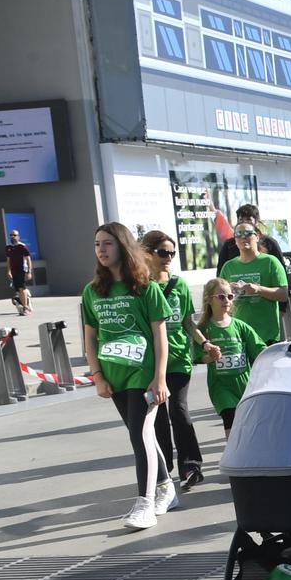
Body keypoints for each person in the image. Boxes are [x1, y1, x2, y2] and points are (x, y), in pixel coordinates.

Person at [83, 223, 174, 530]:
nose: (101, 250)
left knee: (140, 434)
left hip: (143, 375)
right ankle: (166, 487)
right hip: (114, 375)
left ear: (123, 246)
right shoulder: (92, 291)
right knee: (142, 435)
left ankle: (145, 504)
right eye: (97, 244)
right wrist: (97, 376)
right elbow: (90, 338)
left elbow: (159, 334)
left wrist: (160, 378)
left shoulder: (145, 286)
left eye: (107, 243)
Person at [140, 230, 207, 492]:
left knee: (178, 410)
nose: (168, 258)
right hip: (151, 362)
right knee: (157, 418)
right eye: (162, 253)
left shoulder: (179, 284)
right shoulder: (141, 286)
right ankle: (163, 469)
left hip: (179, 358)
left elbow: (188, 322)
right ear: (147, 253)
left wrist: (204, 343)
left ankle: (191, 465)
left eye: (172, 253)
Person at [197, 278, 267, 431]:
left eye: (230, 296)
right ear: (209, 300)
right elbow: (197, 357)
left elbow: (260, 349)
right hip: (221, 386)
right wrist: (210, 357)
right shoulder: (204, 328)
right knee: (230, 417)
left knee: (248, 426)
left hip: (244, 384)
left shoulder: (240, 326)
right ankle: (232, 453)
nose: (226, 300)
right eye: (221, 297)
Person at [220, 221, 289, 348]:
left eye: (247, 233)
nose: (243, 237)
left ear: (257, 237)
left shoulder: (270, 262)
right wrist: (229, 291)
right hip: (238, 334)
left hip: (266, 335)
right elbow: (218, 297)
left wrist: (258, 289)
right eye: (238, 234)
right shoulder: (228, 266)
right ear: (235, 240)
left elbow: (283, 294)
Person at [215, 203, 285, 266]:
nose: (244, 223)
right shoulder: (229, 245)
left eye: (248, 220)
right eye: (241, 220)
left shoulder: (270, 243)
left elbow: (281, 272)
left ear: (256, 222)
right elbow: (220, 276)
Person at [4, 230, 34, 316]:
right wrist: (9, 271)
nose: (13, 237)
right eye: (11, 235)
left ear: (18, 236)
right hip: (14, 271)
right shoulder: (8, 247)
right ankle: (25, 303)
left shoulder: (22, 246)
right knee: (18, 290)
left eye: (15, 235)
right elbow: (8, 260)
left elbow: (28, 259)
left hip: (22, 270)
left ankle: (25, 308)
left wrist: (29, 272)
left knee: (21, 288)